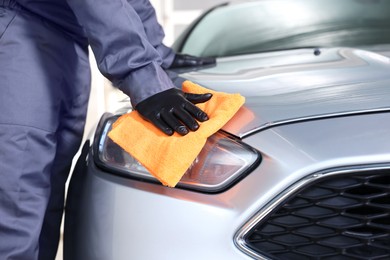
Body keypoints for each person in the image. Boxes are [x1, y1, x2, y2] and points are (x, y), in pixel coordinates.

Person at [0, 0, 215, 259]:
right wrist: (143, 74)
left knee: (42, 209)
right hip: (19, 34)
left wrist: (156, 54)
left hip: (66, 45)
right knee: (14, 215)